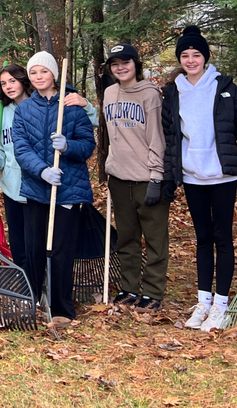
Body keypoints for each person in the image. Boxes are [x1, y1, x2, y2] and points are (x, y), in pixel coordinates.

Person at [163, 26, 237, 332]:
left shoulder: (225, 87)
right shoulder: (173, 92)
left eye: (197, 54)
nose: (191, 60)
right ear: (180, 58)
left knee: (222, 238)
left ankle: (220, 306)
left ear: (206, 57)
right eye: (185, 55)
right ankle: (203, 302)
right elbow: (170, 135)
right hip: (192, 175)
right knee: (202, 239)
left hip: (221, 175)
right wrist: (169, 174)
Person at [13, 51, 96, 329]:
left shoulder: (71, 106)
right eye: (34, 73)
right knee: (35, 246)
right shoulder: (24, 109)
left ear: (54, 75)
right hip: (38, 188)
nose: (38, 77)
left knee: (61, 249)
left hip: (68, 190)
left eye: (44, 72)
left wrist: (68, 147)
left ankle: (62, 307)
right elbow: (21, 148)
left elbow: (88, 145)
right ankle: (34, 298)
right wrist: (42, 171)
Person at [102, 43, 170, 314]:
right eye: (115, 63)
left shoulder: (150, 95)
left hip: (147, 178)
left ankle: (152, 291)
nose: (121, 67)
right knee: (126, 238)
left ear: (136, 64)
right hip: (119, 177)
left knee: (155, 239)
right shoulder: (108, 93)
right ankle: (128, 286)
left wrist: (156, 176)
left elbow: (157, 137)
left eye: (126, 62)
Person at [0, 63, 33, 269]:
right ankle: (24, 281)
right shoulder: (4, 110)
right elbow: (0, 148)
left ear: (23, 80)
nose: (8, 86)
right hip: (11, 187)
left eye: (12, 81)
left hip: (35, 187)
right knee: (17, 240)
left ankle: (40, 282)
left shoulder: (38, 107)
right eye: (4, 83)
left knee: (36, 240)